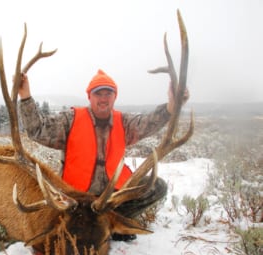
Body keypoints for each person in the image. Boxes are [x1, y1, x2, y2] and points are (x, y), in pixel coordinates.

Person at [18, 69, 187, 241]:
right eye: (98, 93)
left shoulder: (124, 122)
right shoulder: (70, 120)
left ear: (115, 97)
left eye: (108, 93)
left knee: (156, 186)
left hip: (112, 199)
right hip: (76, 200)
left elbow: (148, 123)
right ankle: (104, 226)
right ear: (89, 97)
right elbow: (38, 129)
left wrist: (170, 107)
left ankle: (110, 224)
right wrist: (25, 97)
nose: (103, 98)